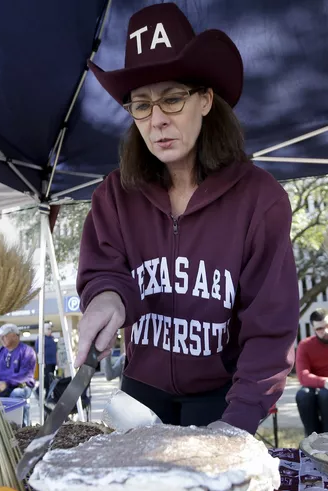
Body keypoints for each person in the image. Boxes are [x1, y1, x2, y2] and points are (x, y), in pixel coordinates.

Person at [75, 3, 299, 434]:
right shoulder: (114, 195)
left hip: (225, 399)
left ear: (205, 100)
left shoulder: (260, 199)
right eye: (141, 106)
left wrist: (238, 423)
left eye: (172, 99)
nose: (157, 120)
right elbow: (105, 269)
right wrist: (106, 296)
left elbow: (270, 326)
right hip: (139, 397)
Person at [0, 324, 36, 404]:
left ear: (14, 336)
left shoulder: (27, 351)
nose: (1, 339)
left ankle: (18, 416)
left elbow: (24, 376)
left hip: (21, 385)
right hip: (1, 386)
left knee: (17, 393)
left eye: (5, 336)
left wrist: (6, 383)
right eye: (1, 336)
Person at [43, 323, 58, 394]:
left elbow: (55, 350)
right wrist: (43, 363)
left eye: (50, 329)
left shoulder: (52, 338)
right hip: (47, 362)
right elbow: (39, 352)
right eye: (48, 329)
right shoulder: (41, 339)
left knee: (52, 378)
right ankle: (46, 393)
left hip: (53, 362)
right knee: (47, 379)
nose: (50, 330)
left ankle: (51, 393)